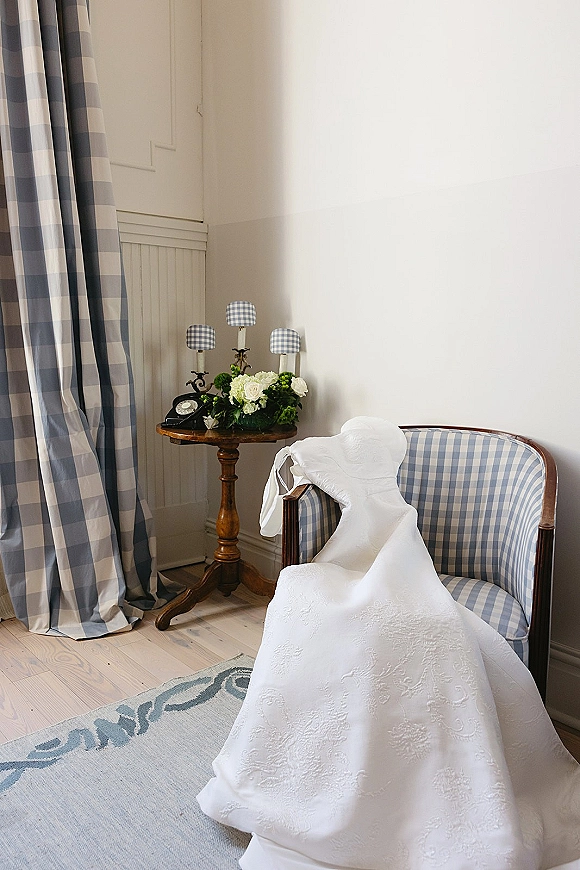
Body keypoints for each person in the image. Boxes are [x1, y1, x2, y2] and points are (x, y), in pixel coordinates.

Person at [198, 418, 580, 870]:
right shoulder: (336, 458)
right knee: (312, 603)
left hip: (398, 552)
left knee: (412, 621)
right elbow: (296, 464)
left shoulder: (389, 482)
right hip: (359, 555)